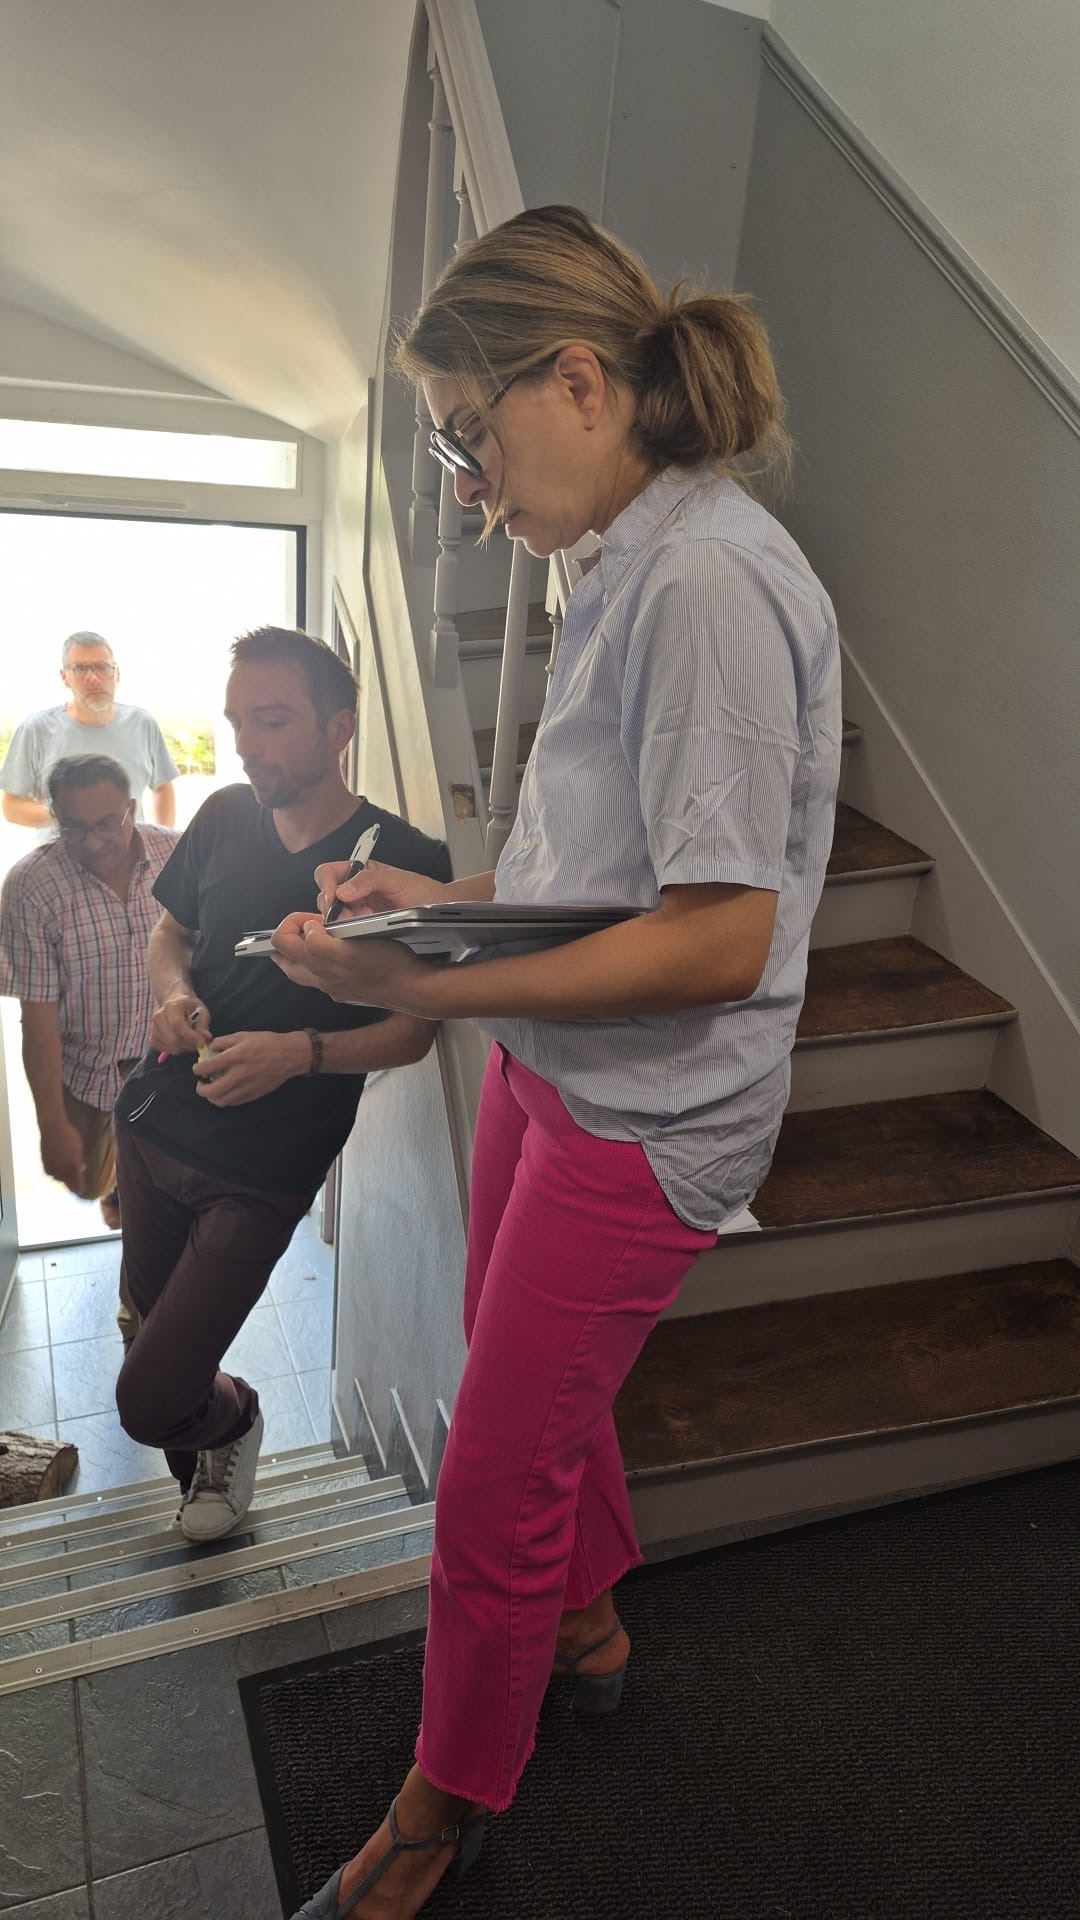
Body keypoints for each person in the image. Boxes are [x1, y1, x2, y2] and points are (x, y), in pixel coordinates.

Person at [271, 204, 843, 1918]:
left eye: (469, 434)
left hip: (652, 1110)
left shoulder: (708, 582)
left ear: (577, 382)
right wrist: (442, 903)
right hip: (557, 1067)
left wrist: (420, 991)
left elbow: (718, 940)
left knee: (492, 1472)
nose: (467, 488)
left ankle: (438, 1810)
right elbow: (610, 875)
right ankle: (585, 1623)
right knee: (516, 1389)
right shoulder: (627, 561)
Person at [112, 626, 451, 1545]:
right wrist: (173, 998)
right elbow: (171, 935)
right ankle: (206, 1464)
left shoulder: (404, 860)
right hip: (153, 1119)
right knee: (147, 1336)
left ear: (338, 728)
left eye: (271, 721)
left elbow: (416, 1031)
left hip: (263, 1167)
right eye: (236, 722)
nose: (246, 745)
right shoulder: (224, 814)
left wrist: (298, 1053)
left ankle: (236, 1422)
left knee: (150, 1396)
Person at [0, 754, 176, 1342]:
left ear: (132, 808)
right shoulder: (31, 887)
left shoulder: (175, 855)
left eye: (106, 823)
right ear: (54, 817)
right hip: (90, 1072)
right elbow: (38, 1021)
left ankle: (140, 1318)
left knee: (156, 1210)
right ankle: (118, 1185)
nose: (95, 842)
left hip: (166, 1066)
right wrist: (52, 1126)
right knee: (88, 1182)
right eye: (74, 827)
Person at [0, 631, 177, 831]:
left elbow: (163, 787)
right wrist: (66, 814)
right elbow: (11, 806)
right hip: (63, 851)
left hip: (129, 850)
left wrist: (163, 841)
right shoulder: (35, 730)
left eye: (102, 667)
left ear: (117, 673)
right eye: (80, 669)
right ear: (64, 677)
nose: (93, 678)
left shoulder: (142, 724)